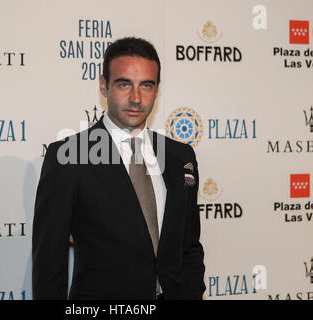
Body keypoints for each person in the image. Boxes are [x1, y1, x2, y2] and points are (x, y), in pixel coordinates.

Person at [32, 37, 205, 300]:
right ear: (104, 86)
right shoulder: (68, 156)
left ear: (157, 90)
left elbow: (189, 244)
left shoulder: (180, 156)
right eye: (124, 84)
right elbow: (49, 264)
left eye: (146, 85)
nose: (136, 98)